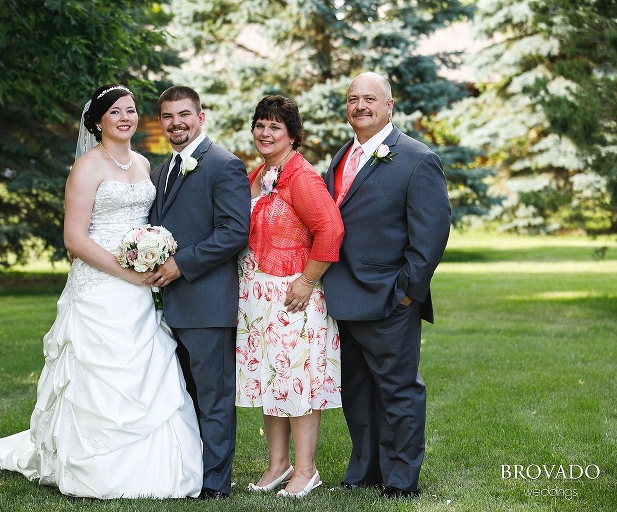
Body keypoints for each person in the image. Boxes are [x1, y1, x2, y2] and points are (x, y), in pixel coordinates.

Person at [0, 84, 203, 499]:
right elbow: (74, 240)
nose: (126, 118)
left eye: (130, 110)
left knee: (149, 367)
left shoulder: (145, 165)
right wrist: (125, 272)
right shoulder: (87, 167)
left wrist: (150, 254)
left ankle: (161, 467)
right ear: (97, 121)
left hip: (139, 286)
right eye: (115, 112)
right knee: (96, 373)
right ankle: (92, 466)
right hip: (100, 285)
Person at [322, 72, 451, 498]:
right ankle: (366, 468)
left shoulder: (416, 159)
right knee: (357, 390)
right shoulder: (341, 158)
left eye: (370, 99)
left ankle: (401, 478)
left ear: (389, 105)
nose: (360, 106)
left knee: (398, 391)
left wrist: (407, 292)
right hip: (344, 296)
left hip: (390, 298)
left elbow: (430, 234)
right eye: (353, 99)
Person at [235, 95, 344, 498]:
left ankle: (306, 469)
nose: (265, 133)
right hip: (259, 297)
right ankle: (278, 465)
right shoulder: (259, 174)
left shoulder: (302, 177)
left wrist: (307, 281)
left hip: (293, 299)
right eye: (260, 124)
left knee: (297, 383)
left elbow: (331, 231)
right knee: (271, 381)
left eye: (274, 127)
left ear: (292, 135)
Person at [145, 85, 251, 500]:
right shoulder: (160, 171)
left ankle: (215, 484)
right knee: (181, 397)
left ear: (201, 116)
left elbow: (233, 232)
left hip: (207, 303)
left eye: (184, 114)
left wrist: (180, 264)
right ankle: (187, 473)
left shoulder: (224, 165)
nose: (177, 123)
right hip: (167, 306)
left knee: (213, 398)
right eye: (168, 117)